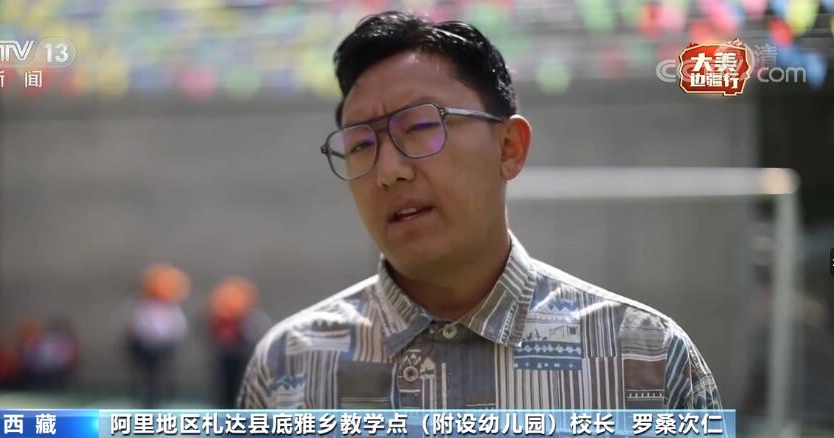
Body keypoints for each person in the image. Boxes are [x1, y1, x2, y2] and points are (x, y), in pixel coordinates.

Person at [238, 11, 722, 410]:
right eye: (361, 144)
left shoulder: (645, 360)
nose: (388, 171)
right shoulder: (289, 368)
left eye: (420, 126)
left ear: (509, 147)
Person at [126, 263, 189, 408]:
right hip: (145, 347)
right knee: (146, 376)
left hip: (163, 347)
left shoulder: (171, 308)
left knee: (160, 377)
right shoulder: (143, 306)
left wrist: (167, 339)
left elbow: (179, 327)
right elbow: (137, 325)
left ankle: (158, 400)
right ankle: (146, 401)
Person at [204, 276, 271, 407]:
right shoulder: (219, 318)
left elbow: (256, 335)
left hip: (244, 356)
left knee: (242, 386)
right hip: (225, 355)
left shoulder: (251, 317)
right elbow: (211, 334)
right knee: (225, 387)